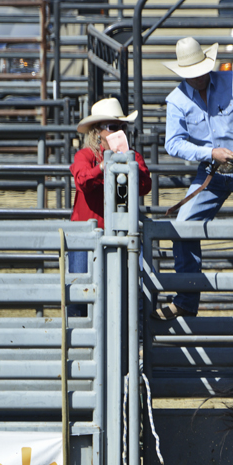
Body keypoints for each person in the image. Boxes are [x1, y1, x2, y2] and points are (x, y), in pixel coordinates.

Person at [157, 37, 233, 320]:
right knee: (184, 225)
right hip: (210, 171)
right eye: (192, 73)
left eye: (201, 69)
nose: (199, 77)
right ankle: (187, 299)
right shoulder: (177, 100)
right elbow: (173, 143)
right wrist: (210, 153)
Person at [69, 97, 151, 316]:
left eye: (123, 127)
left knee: (131, 292)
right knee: (79, 295)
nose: (121, 132)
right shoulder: (85, 156)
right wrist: (105, 166)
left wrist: (126, 163)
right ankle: (80, 346)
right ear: (98, 133)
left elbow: (145, 185)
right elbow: (82, 181)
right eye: (114, 127)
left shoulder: (132, 157)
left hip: (120, 235)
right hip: (86, 236)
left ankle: (135, 342)